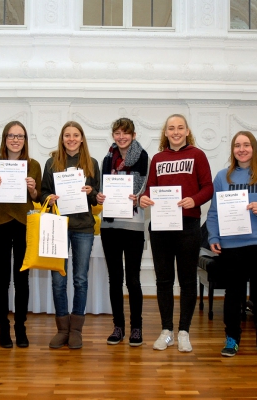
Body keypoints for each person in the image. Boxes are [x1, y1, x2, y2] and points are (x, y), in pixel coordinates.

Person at [206, 131, 257, 361]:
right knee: (233, 296)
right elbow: (214, 212)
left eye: (246, 145)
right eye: (237, 145)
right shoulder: (223, 176)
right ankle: (232, 338)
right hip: (232, 246)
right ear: (232, 150)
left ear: (254, 147)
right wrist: (214, 237)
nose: (242, 149)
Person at [139, 114, 213, 353]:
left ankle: (184, 331)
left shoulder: (197, 155)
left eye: (180, 128)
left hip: (188, 226)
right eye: (171, 128)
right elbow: (150, 187)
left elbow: (208, 187)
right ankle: (166, 331)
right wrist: (144, 198)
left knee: (188, 279)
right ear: (166, 132)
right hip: (161, 227)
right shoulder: (158, 158)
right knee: (163, 280)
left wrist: (195, 200)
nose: (176, 132)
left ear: (187, 131)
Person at [40, 121, 100, 350]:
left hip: (83, 227)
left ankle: (76, 330)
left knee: (80, 280)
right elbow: (43, 193)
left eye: (76, 135)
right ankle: (62, 329)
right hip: (58, 226)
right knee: (58, 279)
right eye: (67, 135)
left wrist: (91, 191)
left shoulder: (91, 163)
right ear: (62, 138)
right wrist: (51, 197)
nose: (71, 139)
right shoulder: (52, 163)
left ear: (82, 138)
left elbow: (97, 198)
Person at [0, 121, 42, 348]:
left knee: (22, 279)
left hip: (24, 224)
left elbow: (37, 198)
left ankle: (20, 327)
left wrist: (32, 189)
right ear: (4, 139)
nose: (16, 140)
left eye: (20, 136)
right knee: (2, 279)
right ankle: (3, 328)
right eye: (11, 136)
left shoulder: (33, 165)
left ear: (25, 140)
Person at [96, 118, 149, 347]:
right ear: (113, 135)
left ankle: (136, 327)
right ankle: (118, 326)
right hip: (109, 225)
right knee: (115, 279)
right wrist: (99, 196)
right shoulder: (106, 159)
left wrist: (138, 197)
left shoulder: (144, 157)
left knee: (133, 279)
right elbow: (101, 186)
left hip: (133, 224)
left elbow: (146, 186)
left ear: (133, 135)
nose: (121, 136)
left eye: (125, 133)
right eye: (117, 132)